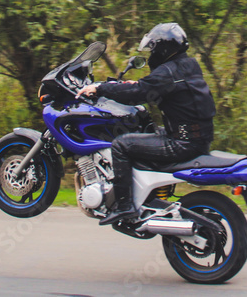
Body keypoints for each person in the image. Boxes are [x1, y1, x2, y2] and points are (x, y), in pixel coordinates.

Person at [77, 22, 216, 226]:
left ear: (163, 48)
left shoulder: (167, 73)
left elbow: (138, 95)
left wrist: (100, 89)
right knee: (145, 129)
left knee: (121, 145)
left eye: (153, 49)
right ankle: (146, 195)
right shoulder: (188, 65)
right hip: (198, 136)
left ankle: (125, 208)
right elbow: (158, 88)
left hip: (182, 142)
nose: (152, 54)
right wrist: (138, 86)